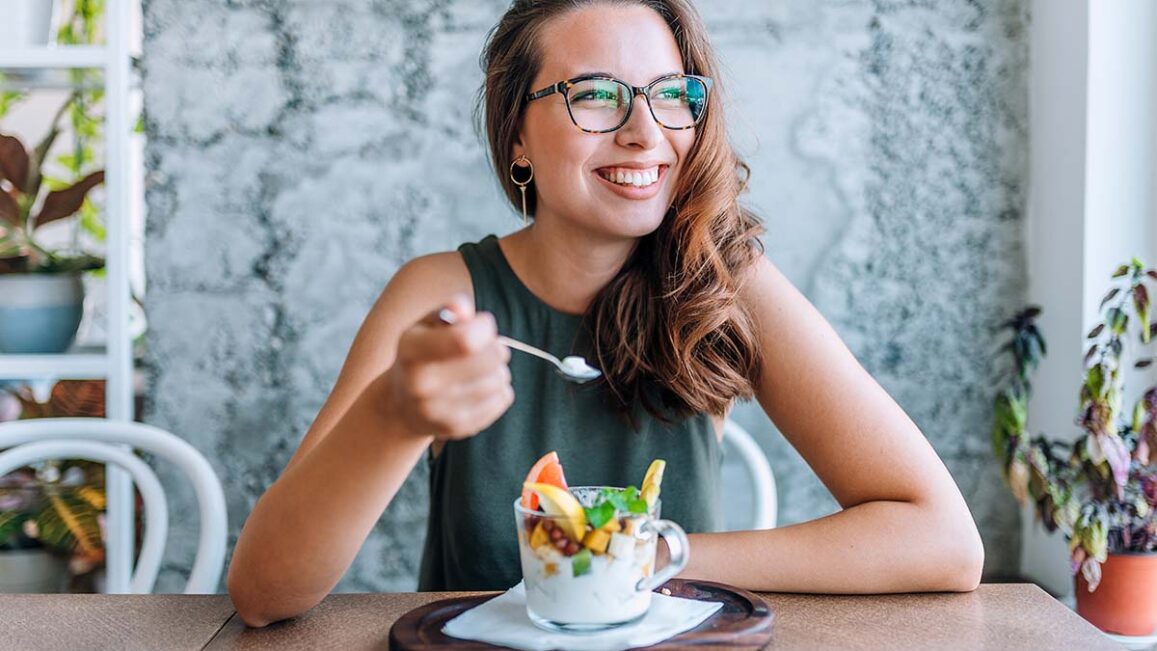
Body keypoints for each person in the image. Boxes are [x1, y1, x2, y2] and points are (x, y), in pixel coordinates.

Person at [227, 0, 984, 627]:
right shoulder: (441, 292)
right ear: (515, 136)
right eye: (594, 93)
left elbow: (942, 541)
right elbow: (263, 593)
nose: (645, 132)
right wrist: (390, 415)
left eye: (669, 94)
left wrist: (654, 552)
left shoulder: (723, 282)